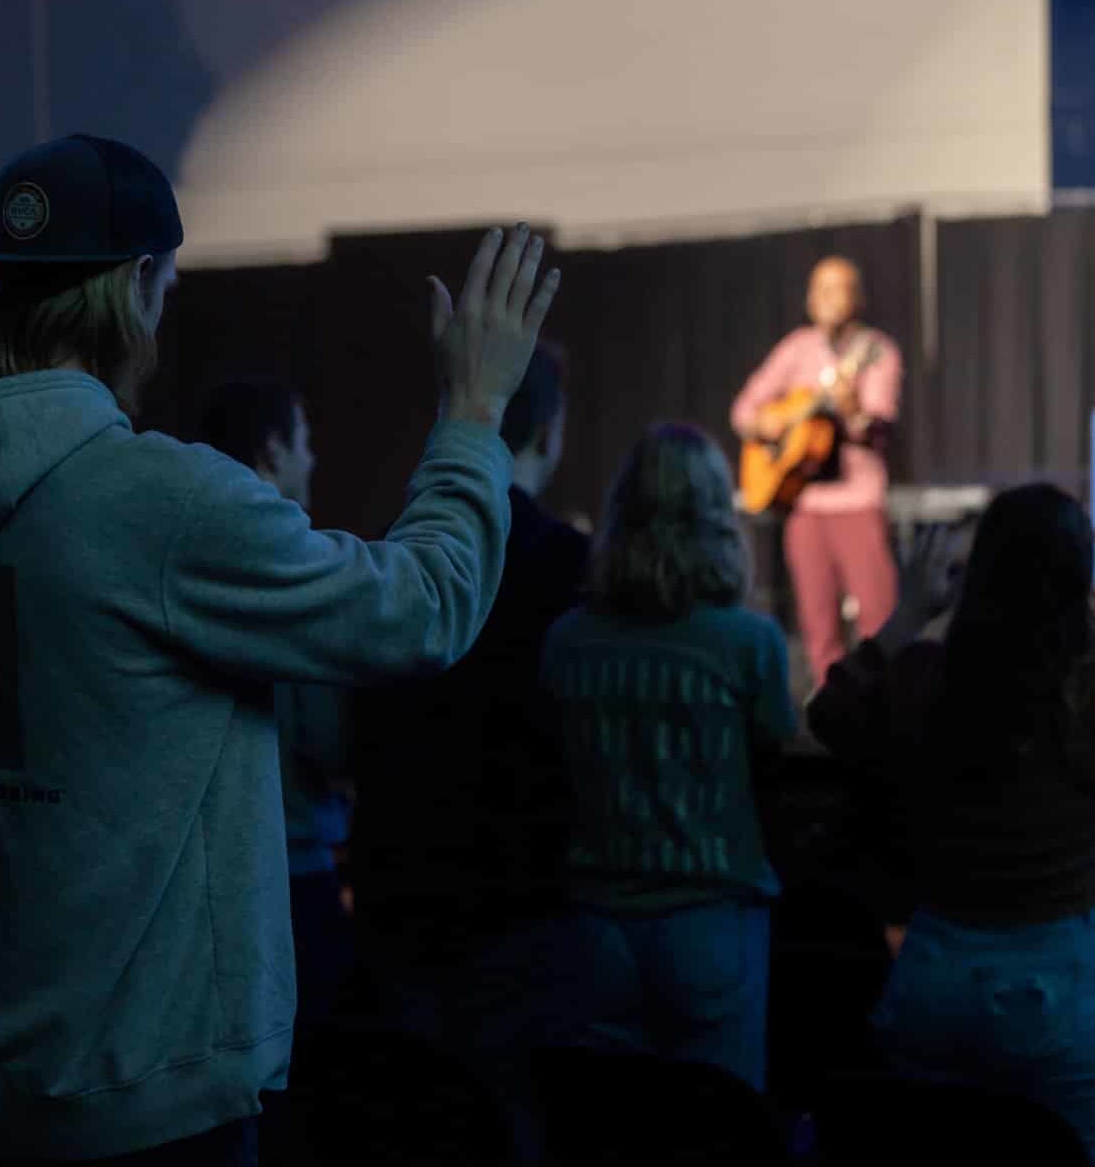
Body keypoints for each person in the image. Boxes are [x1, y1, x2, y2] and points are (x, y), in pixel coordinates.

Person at [0, 132, 560, 1166]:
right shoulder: (154, 501)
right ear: (139, 287)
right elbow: (424, 608)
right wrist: (479, 410)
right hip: (137, 1100)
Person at [349, 343, 590, 1164]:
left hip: (398, 895)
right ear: (551, 435)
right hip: (518, 906)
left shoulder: (394, 553)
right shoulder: (567, 565)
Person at [807, 487, 1095, 1155]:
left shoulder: (923, 677)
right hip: (1057, 991)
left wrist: (906, 613)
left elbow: (828, 715)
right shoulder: (1083, 693)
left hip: (933, 982)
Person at [538, 423, 797, 1091]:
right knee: (720, 1129)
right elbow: (781, 763)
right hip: (709, 920)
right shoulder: (748, 643)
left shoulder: (566, 641)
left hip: (592, 927)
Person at [195, 377, 353, 1032]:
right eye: (304, 440)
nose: (312, 458)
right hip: (297, 880)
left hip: (207, 894)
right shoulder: (296, 571)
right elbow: (328, 745)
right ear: (270, 449)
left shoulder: (189, 556)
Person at [730, 256, 903, 689]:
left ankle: (883, 710)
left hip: (857, 500)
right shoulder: (797, 348)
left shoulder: (876, 350)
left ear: (858, 297)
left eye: (837, 287)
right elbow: (744, 410)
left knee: (877, 620)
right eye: (818, 289)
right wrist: (767, 424)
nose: (826, 297)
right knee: (817, 624)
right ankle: (830, 713)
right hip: (803, 503)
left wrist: (851, 410)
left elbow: (878, 429)